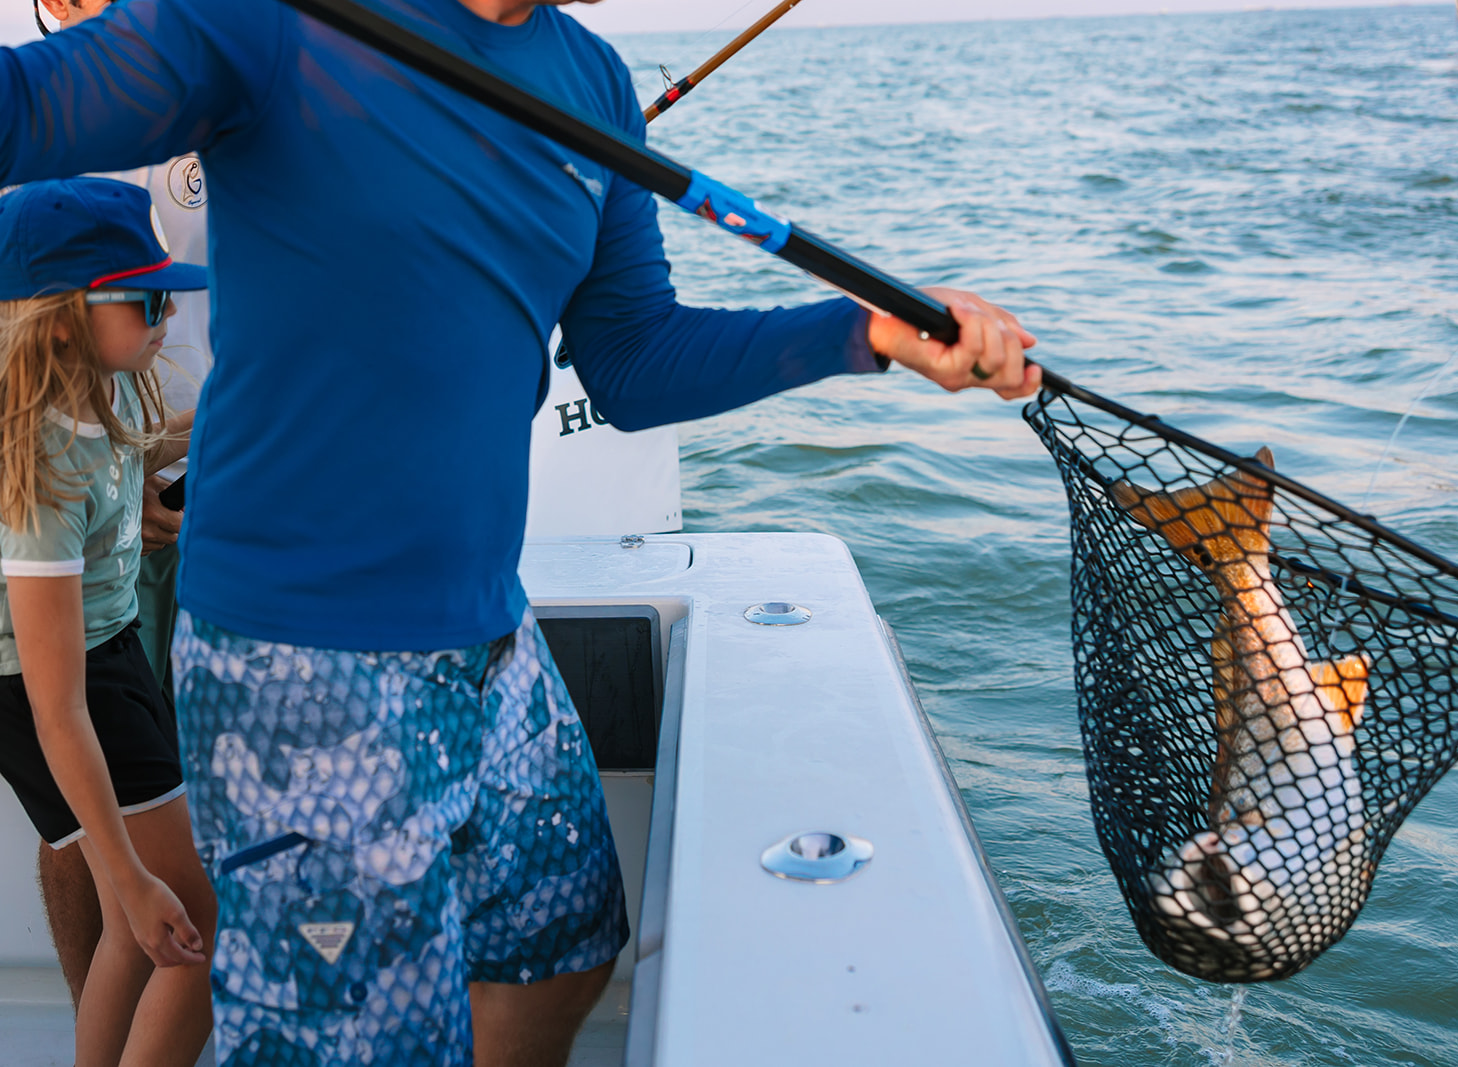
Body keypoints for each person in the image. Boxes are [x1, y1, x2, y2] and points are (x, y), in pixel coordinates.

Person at [0, 2, 1042, 1064]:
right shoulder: (268, 23)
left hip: (491, 632)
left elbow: (633, 358)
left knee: (564, 945)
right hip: (300, 662)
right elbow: (24, 107)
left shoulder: (588, 80)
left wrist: (861, 331)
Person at [23, 0, 217, 1014]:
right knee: (81, 822)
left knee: (188, 790)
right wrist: (110, 474)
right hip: (86, 504)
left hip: (219, 478)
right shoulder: (27, 111)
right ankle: (101, 1013)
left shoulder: (212, 78)